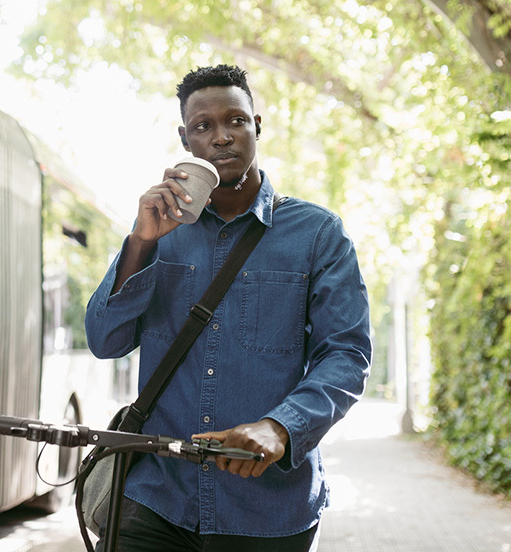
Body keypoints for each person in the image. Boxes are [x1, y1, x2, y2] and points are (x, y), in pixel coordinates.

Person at [84, 64, 372, 551]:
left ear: (257, 126)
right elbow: (105, 341)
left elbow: (346, 355)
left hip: (268, 513)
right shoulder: (157, 232)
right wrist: (139, 243)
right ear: (185, 139)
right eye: (203, 126)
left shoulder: (319, 234)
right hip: (156, 500)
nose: (221, 137)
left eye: (235, 121)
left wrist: (280, 427)